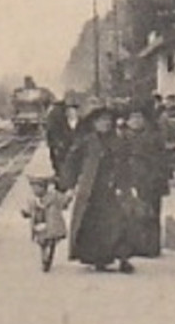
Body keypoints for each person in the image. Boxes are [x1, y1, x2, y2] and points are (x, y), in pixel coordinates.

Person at [56, 103, 136, 273]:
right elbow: (72, 163)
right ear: (94, 123)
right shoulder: (86, 142)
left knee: (121, 223)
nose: (105, 123)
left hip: (114, 188)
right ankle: (98, 258)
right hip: (92, 189)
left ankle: (123, 258)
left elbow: (126, 165)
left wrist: (127, 185)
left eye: (108, 120)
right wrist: (68, 185)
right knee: (94, 225)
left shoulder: (119, 141)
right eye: (101, 120)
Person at [119, 99, 169, 258]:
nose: (136, 121)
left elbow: (162, 159)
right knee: (131, 212)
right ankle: (134, 245)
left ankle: (151, 246)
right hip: (130, 177)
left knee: (151, 212)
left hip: (151, 178)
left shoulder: (154, 136)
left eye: (139, 117)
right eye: (132, 117)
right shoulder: (122, 138)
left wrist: (161, 177)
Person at [22, 174, 70, 272]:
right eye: (33, 189)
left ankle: (47, 257)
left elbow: (64, 201)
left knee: (50, 240)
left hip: (52, 224)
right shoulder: (33, 200)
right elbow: (30, 210)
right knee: (42, 242)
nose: (35, 191)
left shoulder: (54, 196)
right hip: (40, 225)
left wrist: (68, 198)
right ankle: (45, 258)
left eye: (37, 188)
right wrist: (26, 213)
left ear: (44, 187)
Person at [44, 95, 76, 176]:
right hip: (58, 142)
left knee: (57, 161)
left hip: (55, 142)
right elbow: (61, 128)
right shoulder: (58, 113)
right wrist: (62, 141)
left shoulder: (54, 112)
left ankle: (60, 176)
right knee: (60, 161)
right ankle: (61, 179)